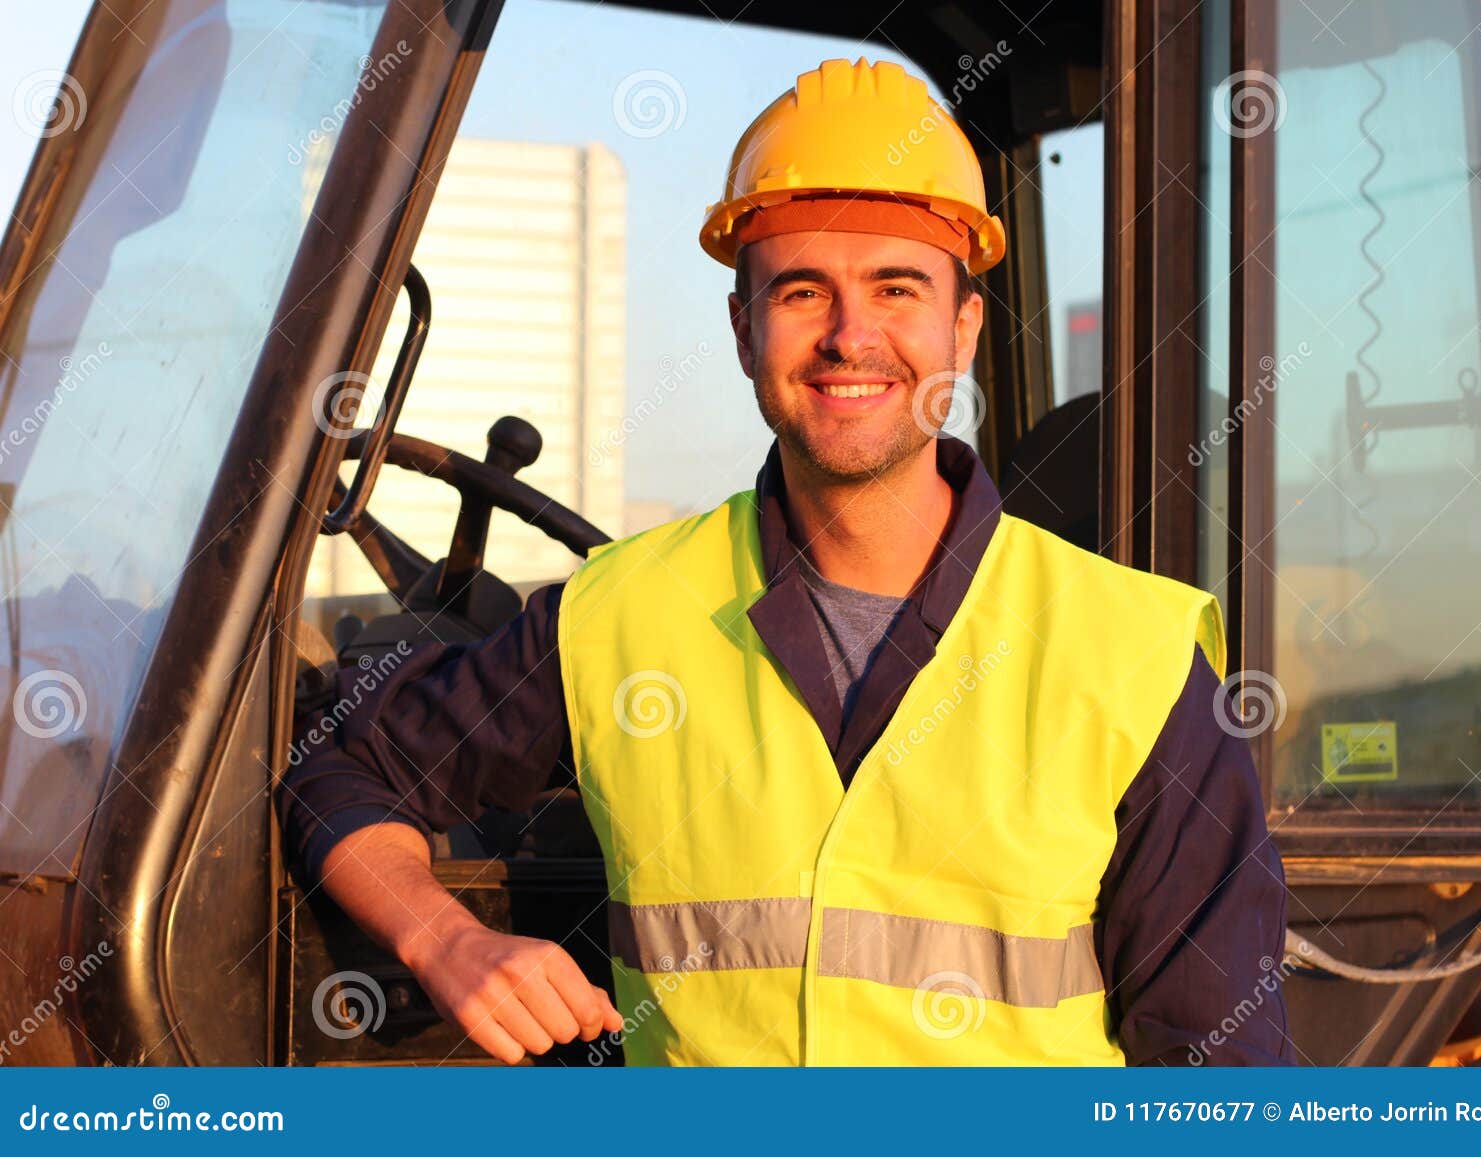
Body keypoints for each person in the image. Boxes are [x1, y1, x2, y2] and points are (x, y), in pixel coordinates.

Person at [279, 57, 1292, 1067]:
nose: (851, 337)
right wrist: (442, 934)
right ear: (742, 327)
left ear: (964, 324)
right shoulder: (615, 617)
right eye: (804, 291)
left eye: (897, 288)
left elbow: (1220, 1080)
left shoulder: (1132, 657)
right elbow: (337, 763)